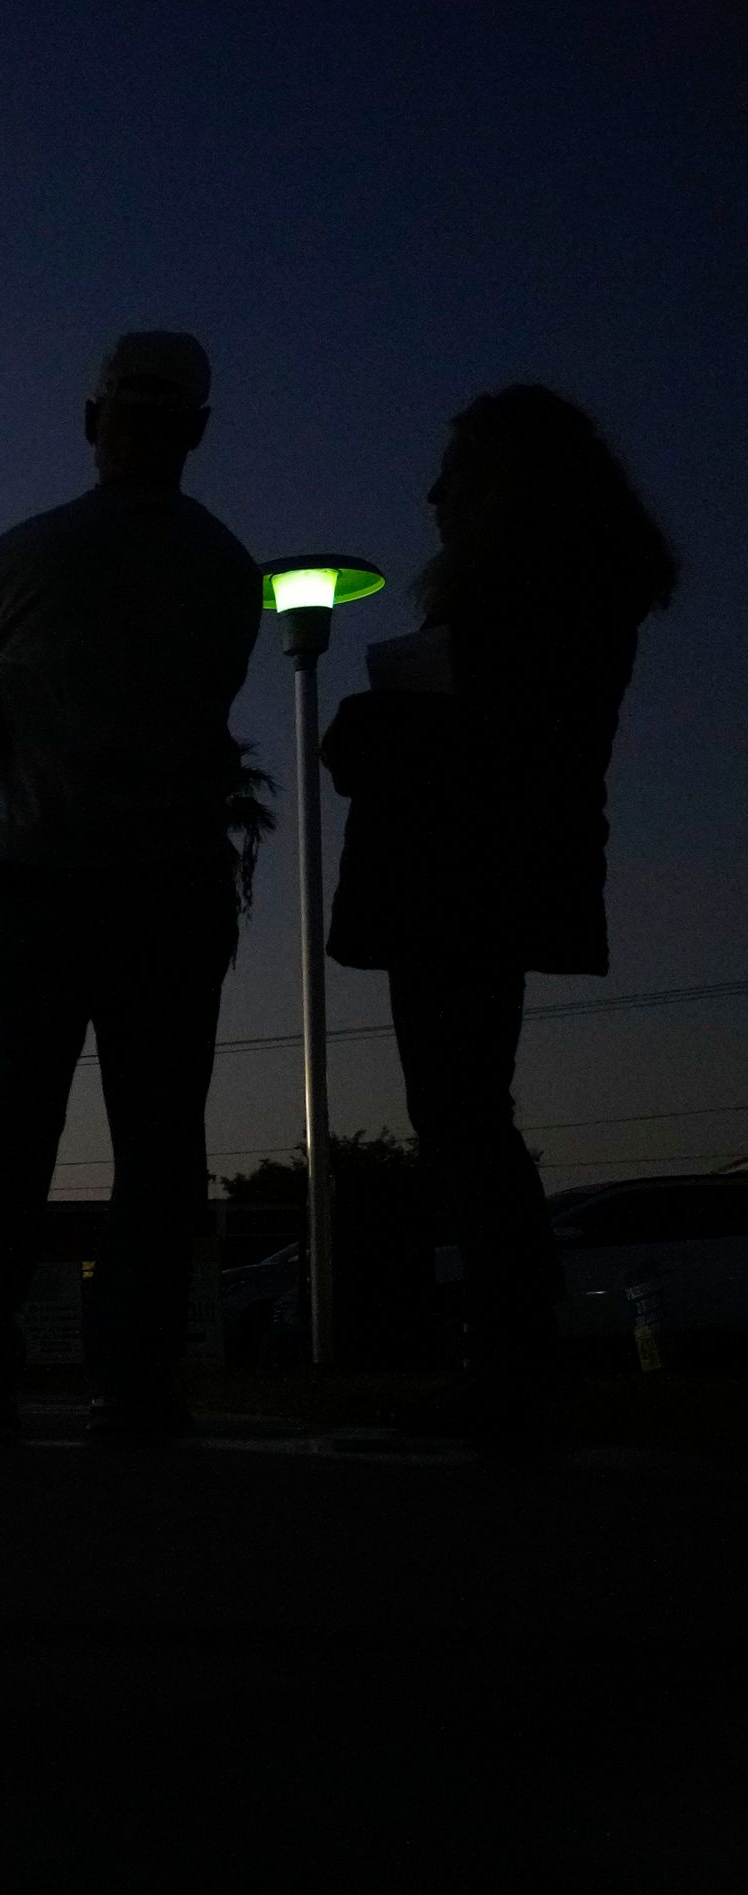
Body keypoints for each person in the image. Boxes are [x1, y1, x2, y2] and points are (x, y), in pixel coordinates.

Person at [0, 329, 262, 1444]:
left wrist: (43, 776)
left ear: (91, 419)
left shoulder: (26, 556)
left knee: (8, 1129)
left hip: (45, 878)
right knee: (160, 1138)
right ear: (198, 432)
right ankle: (138, 1373)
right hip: (177, 882)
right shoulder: (223, 568)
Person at [326, 385, 678, 1442]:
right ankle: (518, 1353)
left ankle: (514, 1361)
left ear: (507, 483)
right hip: (493, 874)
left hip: (460, 879)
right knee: (469, 1109)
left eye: (458, 473)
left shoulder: (530, 596)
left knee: (461, 1112)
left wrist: (369, 729)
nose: (433, 496)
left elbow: (488, 744)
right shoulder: (576, 591)